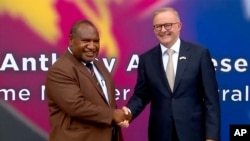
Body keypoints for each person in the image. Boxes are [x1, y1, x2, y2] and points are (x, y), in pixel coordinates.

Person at [122, 7, 220, 141]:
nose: (163, 30)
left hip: (193, 132)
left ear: (179, 26)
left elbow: (211, 100)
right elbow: (141, 95)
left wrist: (211, 137)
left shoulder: (199, 54)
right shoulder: (146, 60)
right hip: (160, 133)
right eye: (158, 27)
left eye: (167, 25)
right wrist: (128, 112)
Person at [45, 19, 129, 141]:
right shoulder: (60, 69)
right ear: (71, 40)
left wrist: (120, 117)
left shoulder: (98, 65)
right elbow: (76, 106)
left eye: (96, 41)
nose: (92, 46)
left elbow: (105, 102)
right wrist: (113, 115)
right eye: (86, 41)